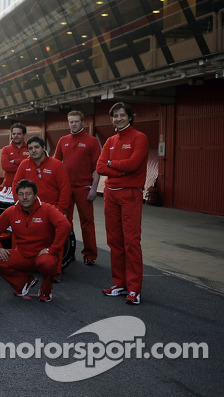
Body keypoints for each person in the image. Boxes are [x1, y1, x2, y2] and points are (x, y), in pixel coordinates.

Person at [96, 102, 148, 305]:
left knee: (131, 242)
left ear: (129, 117)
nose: (118, 119)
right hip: (111, 195)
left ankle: (134, 289)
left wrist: (112, 164)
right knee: (114, 242)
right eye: (115, 116)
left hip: (130, 195)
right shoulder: (109, 141)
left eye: (121, 115)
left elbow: (134, 165)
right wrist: (119, 169)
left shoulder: (139, 137)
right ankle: (119, 283)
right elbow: (100, 167)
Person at [0, 179, 71, 303]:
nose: (25, 197)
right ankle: (23, 282)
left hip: (43, 256)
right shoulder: (11, 211)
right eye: (21, 194)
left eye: (28, 194)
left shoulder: (47, 209)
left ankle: (46, 290)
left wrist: (53, 249)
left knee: (48, 263)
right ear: (17, 196)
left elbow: (65, 225)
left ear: (35, 195)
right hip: (23, 256)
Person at [55, 111, 101, 265]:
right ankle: (69, 251)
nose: (73, 124)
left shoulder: (92, 141)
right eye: (71, 121)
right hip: (66, 189)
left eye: (76, 121)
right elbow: (55, 165)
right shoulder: (63, 140)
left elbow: (97, 168)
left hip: (84, 188)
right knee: (64, 221)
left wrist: (94, 189)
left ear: (83, 122)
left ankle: (90, 255)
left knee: (87, 222)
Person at [12, 136, 71, 216]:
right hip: (31, 210)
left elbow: (65, 189)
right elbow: (15, 186)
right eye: (30, 148)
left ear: (43, 147)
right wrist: (21, 206)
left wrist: (60, 210)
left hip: (53, 210)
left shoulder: (57, 165)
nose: (33, 150)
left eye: (36, 147)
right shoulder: (24, 165)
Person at [0, 123, 28, 187]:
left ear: (24, 135)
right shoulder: (6, 149)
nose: (16, 136)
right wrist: (24, 168)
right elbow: (5, 166)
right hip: (9, 185)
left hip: (26, 187)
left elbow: (32, 163)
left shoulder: (30, 148)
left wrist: (15, 161)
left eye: (19, 134)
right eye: (14, 134)